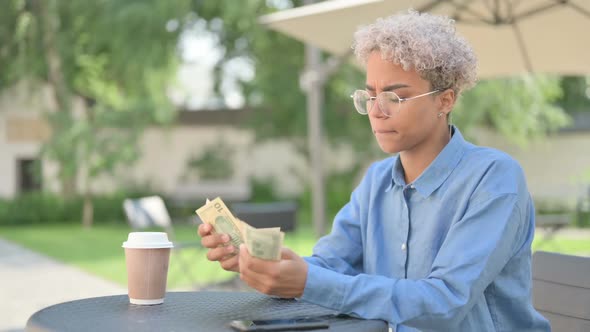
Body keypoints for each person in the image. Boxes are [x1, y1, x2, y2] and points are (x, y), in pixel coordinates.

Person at [198, 10, 551, 332]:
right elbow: (328, 268)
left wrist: (308, 281)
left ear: (445, 100)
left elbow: (444, 304)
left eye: (395, 97)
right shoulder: (377, 181)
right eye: (369, 95)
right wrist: (262, 262)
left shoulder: (494, 179)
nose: (377, 111)